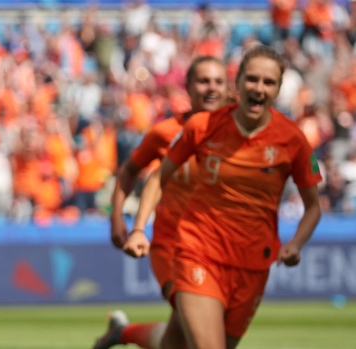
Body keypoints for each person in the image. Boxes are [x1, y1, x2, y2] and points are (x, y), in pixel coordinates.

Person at [159, 45, 321, 349]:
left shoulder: (293, 139)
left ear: (278, 90)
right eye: (252, 79)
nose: (258, 88)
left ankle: (122, 333)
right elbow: (158, 177)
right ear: (238, 82)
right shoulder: (205, 125)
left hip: (252, 265)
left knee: (174, 345)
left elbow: (313, 207)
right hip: (200, 252)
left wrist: (295, 244)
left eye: (268, 82)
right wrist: (141, 226)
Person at [96, 56, 228, 349]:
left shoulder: (236, 134)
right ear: (188, 86)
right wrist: (118, 218)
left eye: (218, 81)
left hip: (218, 249)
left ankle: (122, 333)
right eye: (203, 80)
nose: (211, 87)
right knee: (203, 335)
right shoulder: (165, 132)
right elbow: (130, 171)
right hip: (173, 247)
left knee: (178, 342)